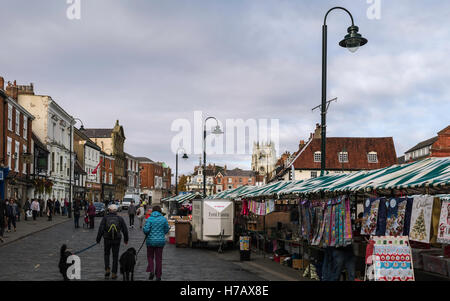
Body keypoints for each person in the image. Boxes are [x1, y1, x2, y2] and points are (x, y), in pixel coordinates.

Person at [96, 204, 129, 280]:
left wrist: (98, 239)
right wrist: (126, 239)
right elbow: (125, 230)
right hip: (116, 239)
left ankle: (107, 269)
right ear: (116, 210)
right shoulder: (120, 218)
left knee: (106, 254)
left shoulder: (105, 218)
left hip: (107, 238)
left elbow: (101, 229)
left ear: (109, 210)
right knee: (115, 256)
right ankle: (114, 273)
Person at [143, 205, 169, 281]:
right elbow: (167, 229)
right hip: (160, 241)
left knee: (150, 257)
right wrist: (161, 233)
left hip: (150, 241)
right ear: (160, 211)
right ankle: (158, 276)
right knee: (159, 259)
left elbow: (146, 230)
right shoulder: (163, 219)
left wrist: (146, 230)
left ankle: (151, 270)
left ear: (153, 211)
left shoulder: (149, 219)